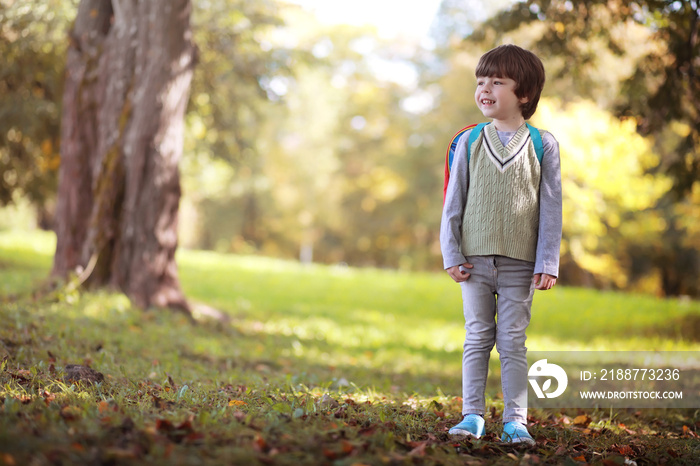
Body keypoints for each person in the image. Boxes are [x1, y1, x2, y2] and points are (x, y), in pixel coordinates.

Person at [440, 44, 562, 445]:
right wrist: (451, 253)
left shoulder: (543, 144)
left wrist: (547, 261)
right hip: (473, 261)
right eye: (480, 81)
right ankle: (471, 416)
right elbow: (453, 202)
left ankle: (516, 421)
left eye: (497, 81)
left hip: (520, 264)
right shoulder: (470, 140)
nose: (485, 89)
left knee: (512, 341)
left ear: (523, 94)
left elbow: (550, 208)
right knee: (477, 337)